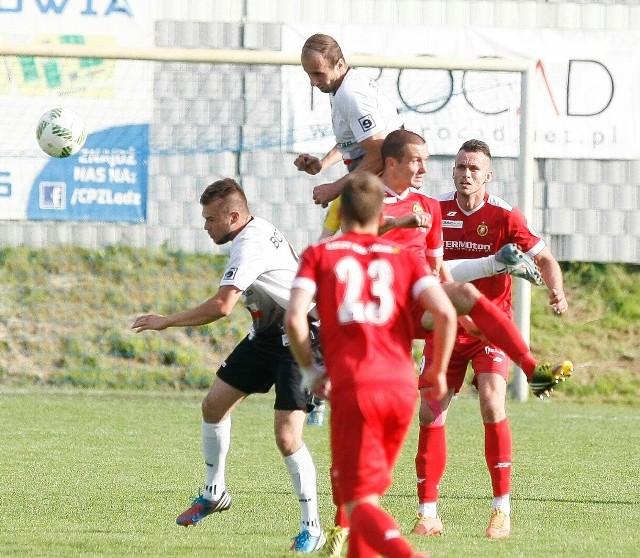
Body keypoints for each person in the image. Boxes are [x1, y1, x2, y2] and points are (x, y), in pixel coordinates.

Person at [131, 178, 325, 553]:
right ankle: (214, 492)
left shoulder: (249, 244)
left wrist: (166, 320)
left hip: (300, 338)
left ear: (233, 216)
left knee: (288, 439)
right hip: (266, 336)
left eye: (210, 219)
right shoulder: (252, 231)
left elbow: (222, 306)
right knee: (213, 405)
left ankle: (311, 526)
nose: (205, 226)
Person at [285, 171, 458, 558]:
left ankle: (407, 555)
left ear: (340, 210)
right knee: (370, 496)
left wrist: (312, 371)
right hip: (400, 387)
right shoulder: (404, 258)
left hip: (356, 385)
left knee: (356, 502)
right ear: (382, 212)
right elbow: (445, 313)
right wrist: (439, 371)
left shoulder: (320, 254)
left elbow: (295, 317)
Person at [413, 139, 572, 540]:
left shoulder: (504, 215)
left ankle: (501, 510)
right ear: (453, 171)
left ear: (488, 175)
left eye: (474, 169)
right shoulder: (436, 212)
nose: (466, 174)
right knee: (431, 413)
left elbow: (545, 258)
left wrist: (557, 291)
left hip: (490, 328)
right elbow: (429, 272)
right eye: (461, 167)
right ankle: (428, 513)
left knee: (491, 402)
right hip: (449, 325)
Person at [295, 33, 404, 237]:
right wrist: (322, 164)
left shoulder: (350, 95)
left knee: (357, 245)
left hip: (384, 185)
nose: (312, 81)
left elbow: (379, 154)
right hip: (374, 180)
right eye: (308, 74)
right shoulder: (341, 86)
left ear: (339, 64)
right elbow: (357, 139)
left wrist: (335, 188)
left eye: (318, 73)